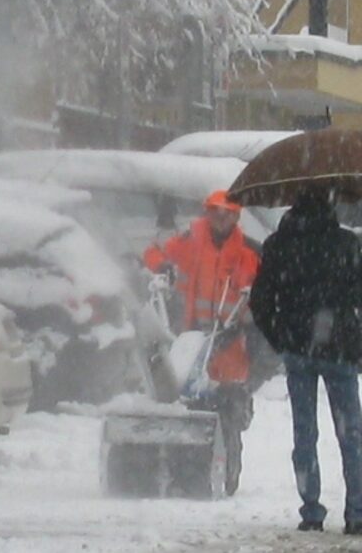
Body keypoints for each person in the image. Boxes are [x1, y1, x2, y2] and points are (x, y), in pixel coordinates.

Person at [250, 189, 362, 534]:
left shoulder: (278, 245)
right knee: (351, 435)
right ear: (330, 206)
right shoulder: (347, 244)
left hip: (298, 350)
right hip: (340, 349)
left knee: (304, 433)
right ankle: (357, 511)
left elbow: (261, 301)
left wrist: (280, 337)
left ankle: (311, 510)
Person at [144, 189, 259, 495]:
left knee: (228, 410)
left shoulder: (245, 255)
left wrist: (243, 319)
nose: (219, 219)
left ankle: (229, 470)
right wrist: (161, 267)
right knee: (190, 406)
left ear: (235, 217)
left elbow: (254, 294)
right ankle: (186, 471)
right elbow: (154, 252)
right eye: (214, 212)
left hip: (229, 343)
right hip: (193, 337)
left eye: (226, 213)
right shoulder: (190, 242)